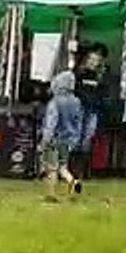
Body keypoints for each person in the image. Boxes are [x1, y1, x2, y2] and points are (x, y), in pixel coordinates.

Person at [40, 70, 84, 202]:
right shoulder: (76, 102)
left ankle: (51, 194)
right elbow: (79, 122)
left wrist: (45, 140)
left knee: (52, 168)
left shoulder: (55, 102)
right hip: (68, 140)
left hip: (54, 139)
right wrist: (75, 138)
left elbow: (51, 122)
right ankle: (73, 181)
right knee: (63, 167)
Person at [72, 43, 107, 181]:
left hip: (93, 110)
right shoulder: (78, 74)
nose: (93, 62)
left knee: (87, 138)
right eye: (91, 59)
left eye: (96, 60)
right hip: (79, 109)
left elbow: (104, 93)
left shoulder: (101, 77)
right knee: (77, 138)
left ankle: (83, 171)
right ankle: (73, 170)